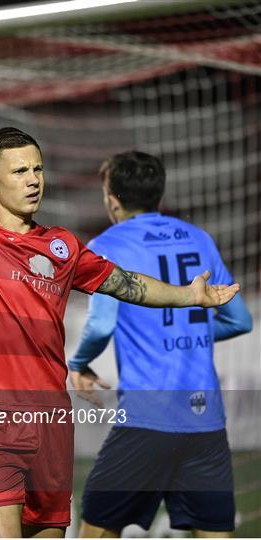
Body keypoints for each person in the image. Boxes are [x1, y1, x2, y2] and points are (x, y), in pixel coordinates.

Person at [0, 39, 240, 539]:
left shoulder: (62, 247)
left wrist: (189, 296)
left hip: (52, 428)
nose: (33, 179)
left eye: (38, 168)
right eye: (19, 171)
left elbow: (126, 285)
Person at [68, 150, 253, 538]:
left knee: (96, 530)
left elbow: (101, 326)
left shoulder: (107, 244)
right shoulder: (199, 239)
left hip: (147, 419)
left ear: (111, 198)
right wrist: (190, 333)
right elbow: (239, 320)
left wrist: (79, 362)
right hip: (206, 422)